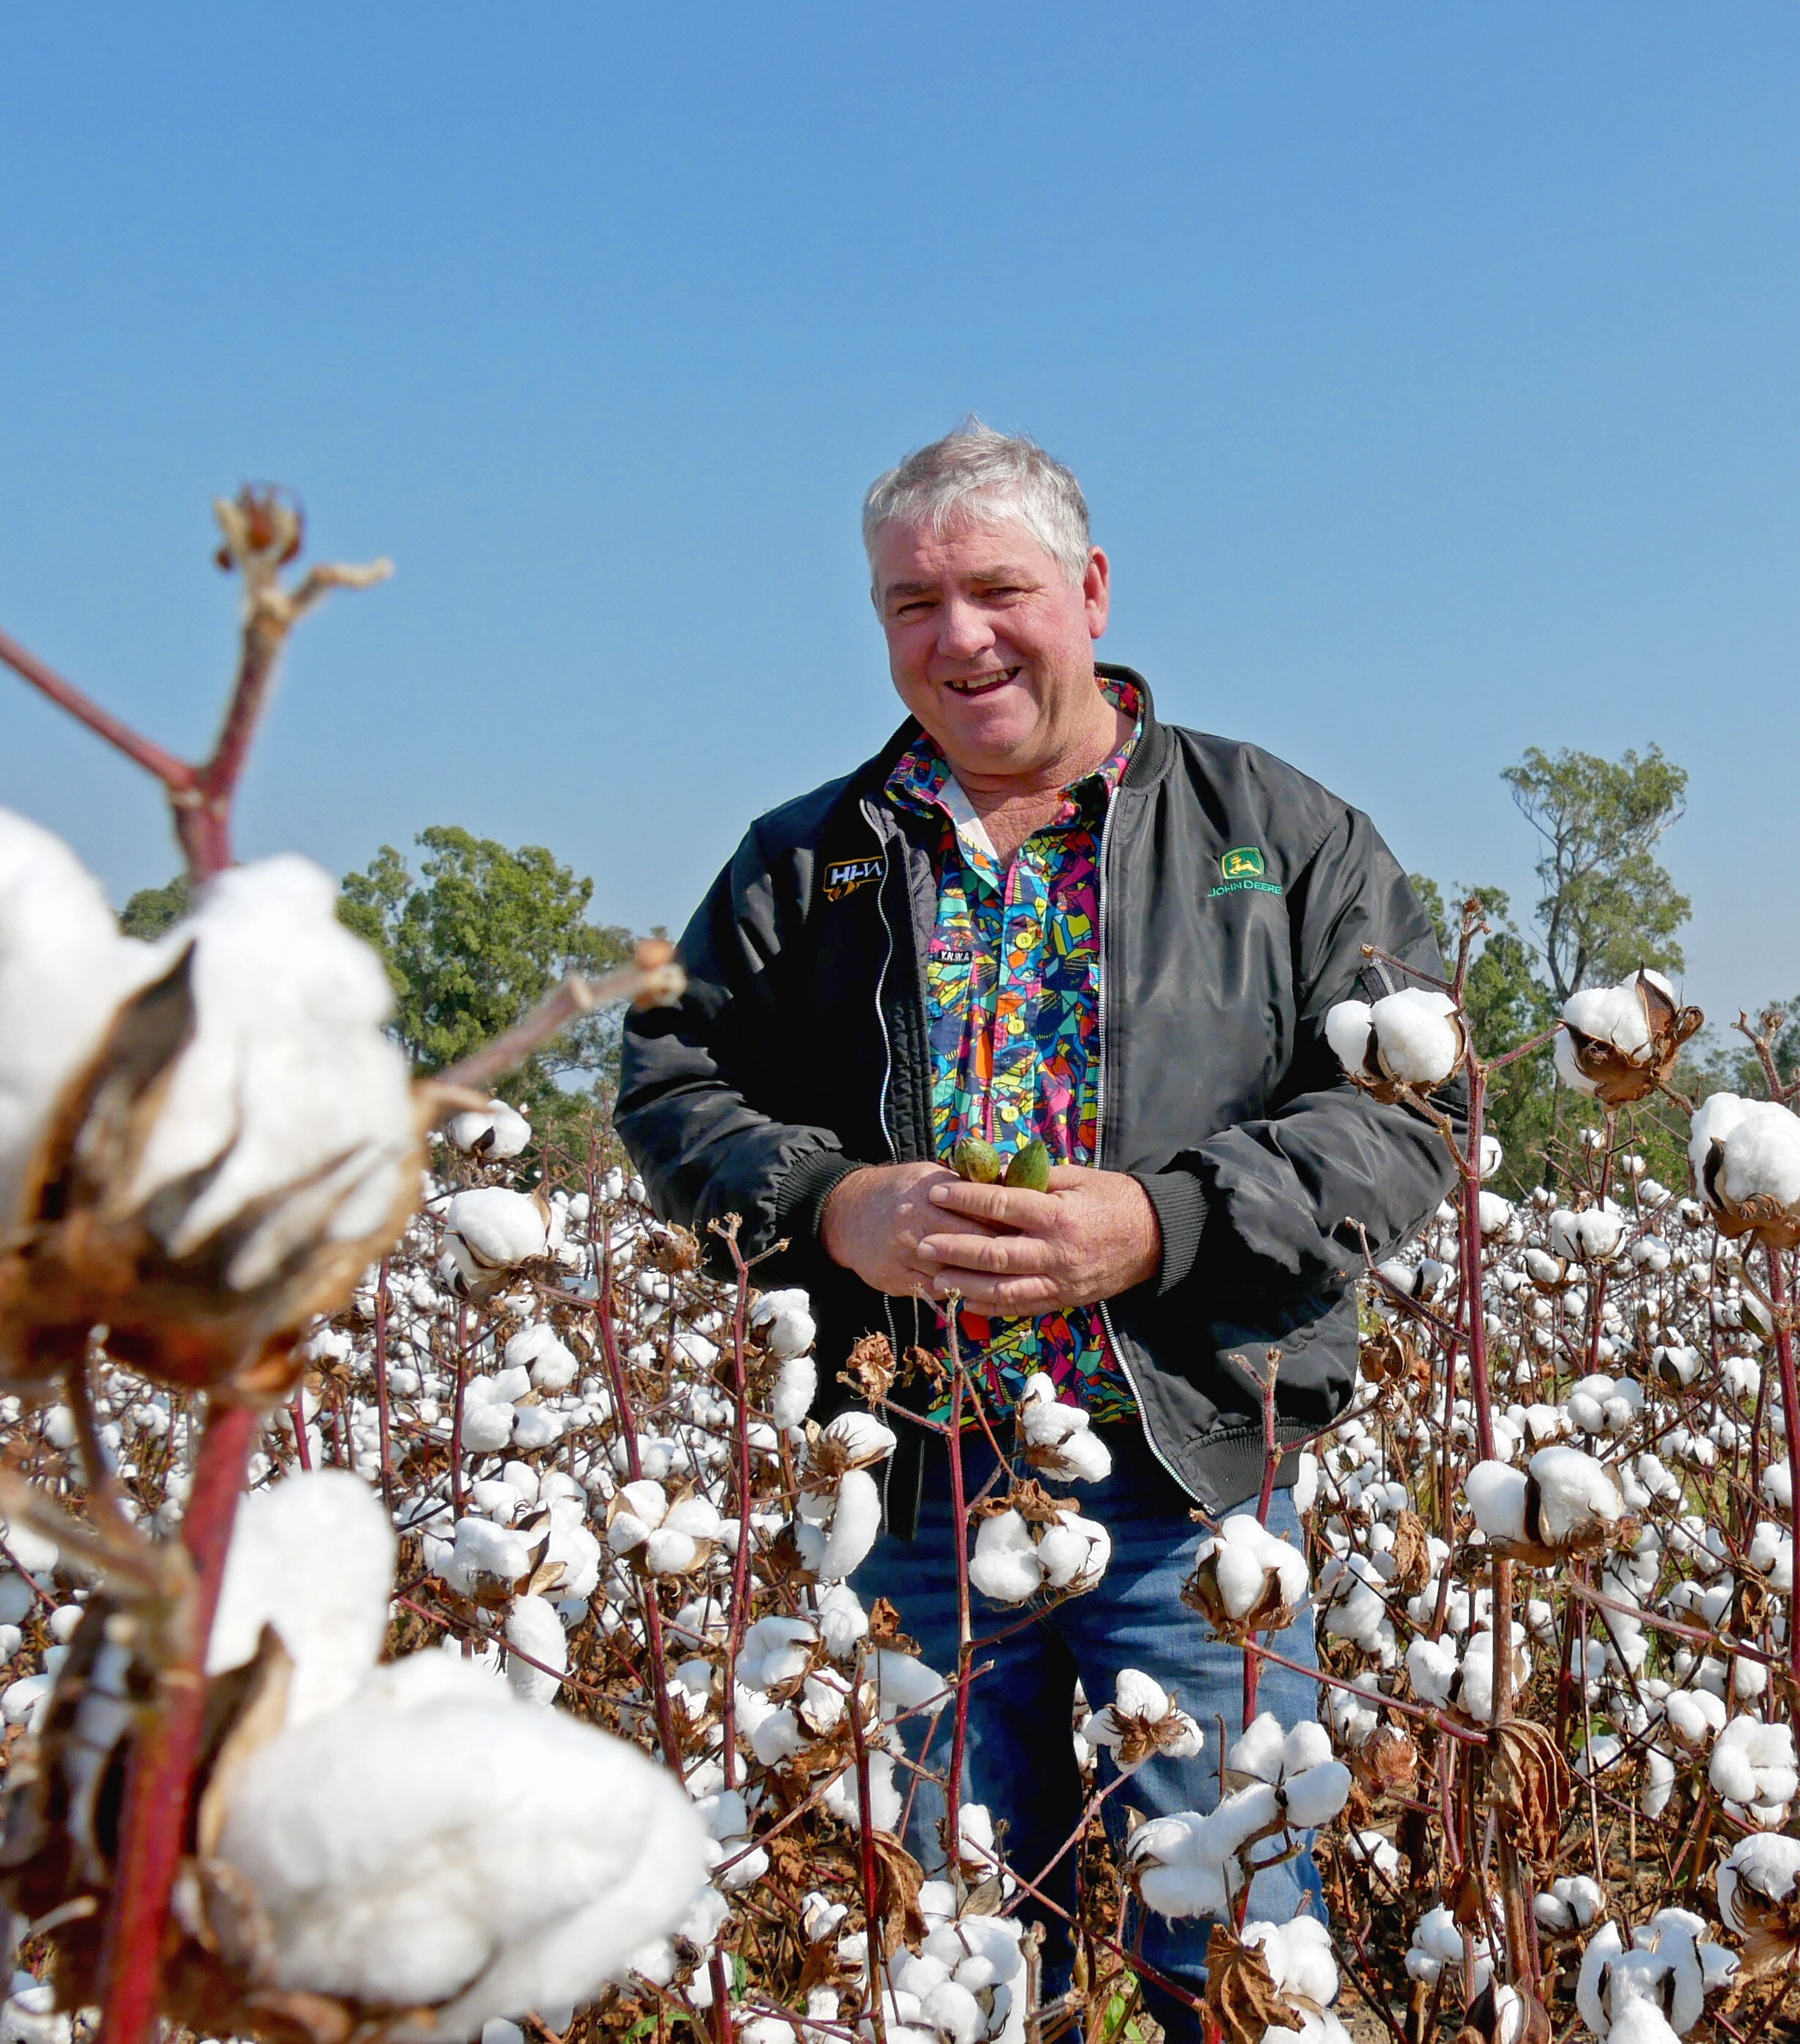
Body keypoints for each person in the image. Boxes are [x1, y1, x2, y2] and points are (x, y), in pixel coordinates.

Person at [617, 422, 1453, 2040]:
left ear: (1089, 590)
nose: (958, 637)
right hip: (909, 1489)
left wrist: (1162, 1223)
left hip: (1195, 1482)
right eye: (909, 604)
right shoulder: (808, 862)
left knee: (1229, 1953)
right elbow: (667, 1076)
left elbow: (1414, 1113)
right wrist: (829, 1203)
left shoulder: (1278, 839)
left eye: (995, 589)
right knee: (937, 1951)